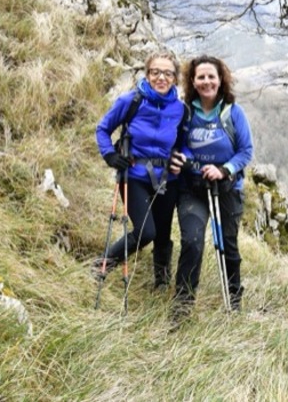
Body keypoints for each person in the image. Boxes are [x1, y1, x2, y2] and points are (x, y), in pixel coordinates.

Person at [169, 55, 254, 323]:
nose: (206, 82)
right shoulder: (186, 112)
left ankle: (234, 301)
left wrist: (224, 169)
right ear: (193, 81)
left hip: (226, 189)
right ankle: (182, 307)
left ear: (220, 80)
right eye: (201, 77)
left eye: (211, 76)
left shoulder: (233, 113)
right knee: (192, 242)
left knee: (228, 245)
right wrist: (182, 159)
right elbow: (177, 144)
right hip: (192, 188)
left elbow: (246, 151)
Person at [93, 50, 185, 290]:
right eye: (155, 72)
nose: (161, 78)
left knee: (163, 232)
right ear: (147, 74)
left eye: (168, 73)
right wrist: (110, 155)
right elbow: (102, 129)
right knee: (146, 232)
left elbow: (183, 142)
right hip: (133, 176)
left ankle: (162, 282)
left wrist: (182, 158)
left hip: (167, 179)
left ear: (175, 78)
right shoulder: (131, 101)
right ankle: (102, 266)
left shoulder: (180, 110)